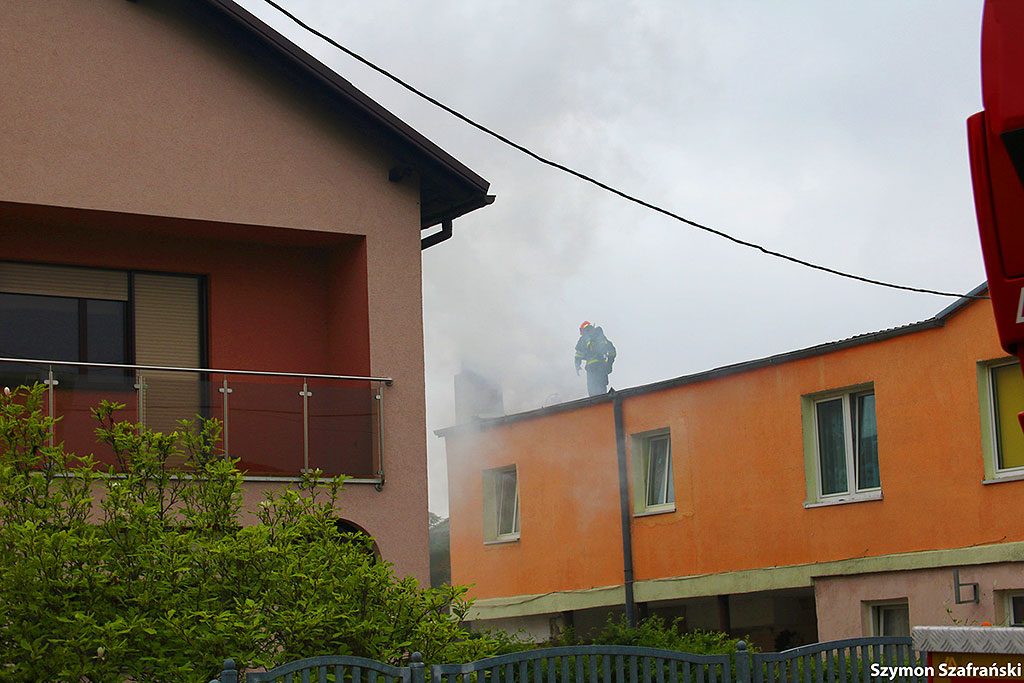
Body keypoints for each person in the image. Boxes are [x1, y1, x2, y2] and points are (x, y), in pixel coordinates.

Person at [575, 321, 616, 397]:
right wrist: (609, 363)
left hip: (592, 369)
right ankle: (603, 403)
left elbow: (578, 354)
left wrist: (577, 365)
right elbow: (612, 351)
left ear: (583, 330)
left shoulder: (584, 339)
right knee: (602, 391)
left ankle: (597, 403)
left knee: (593, 392)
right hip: (602, 368)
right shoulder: (600, 337)